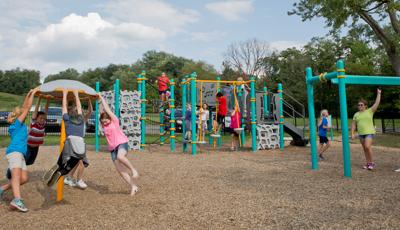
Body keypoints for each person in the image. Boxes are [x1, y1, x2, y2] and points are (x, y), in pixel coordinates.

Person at [0, 87, 39, 212]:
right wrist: (33, 93)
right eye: (21, 113)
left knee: (24, 178)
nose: (24, 113)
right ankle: (17, 200)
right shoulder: (16, 124)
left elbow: (25, 106)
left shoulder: (19, 124)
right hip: (15, 152)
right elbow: (27, 108)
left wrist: (28, 93)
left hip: (20, 154)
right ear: (18, 116)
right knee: (16, 177)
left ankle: (2, 189)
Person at [43, 89, 89, 187]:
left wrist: (64, 94)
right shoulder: (81, 119)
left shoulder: (67, 119)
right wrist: (76, 95)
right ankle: (62, 172)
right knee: (71, 164)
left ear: (69, 114)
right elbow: (80, 107)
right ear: (78, 115)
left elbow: (64, 107)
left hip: (70, 142)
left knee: (62, 161)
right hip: (80, 144)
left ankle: (57, 166)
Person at [98, 94, 139, 196]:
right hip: (112, 148)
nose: (104, 120)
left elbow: (106, 109)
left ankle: (134, 171)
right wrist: (98, 101)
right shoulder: (104, 125)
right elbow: (101, 111)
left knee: (120, 157)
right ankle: (133, 186)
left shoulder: (114, 121)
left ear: (110, 118)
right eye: (103, 119)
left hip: (121, 143)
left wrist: (102, 98)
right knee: (120, 170)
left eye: (106, 119)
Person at [6, 96, 50, 180]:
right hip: (28, 147)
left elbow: (46, 111)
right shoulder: (34, 122)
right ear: (36, 118)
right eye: (40, 118)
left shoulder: (43, 124)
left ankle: (18, 169)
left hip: (36, 147)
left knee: (30, 162)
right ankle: (11, 170)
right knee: (23, 161)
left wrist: (48, 100)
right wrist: (39, 99)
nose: (42, 120)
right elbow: (36, 111)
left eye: (43, 118)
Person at [64, 98, 93, 189]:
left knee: (76, 162)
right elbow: (70, 110)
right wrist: (74, 101)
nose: (79, 111)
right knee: (82, 163)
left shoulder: (82, 119)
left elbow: (90, 111)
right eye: (76, 110)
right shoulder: (71, 120)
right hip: (75, 142)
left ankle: (68, 178)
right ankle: (79, 180)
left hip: (79, 142)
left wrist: (89, 101)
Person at [351, 89, 381, 170]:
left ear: (365, 106)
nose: (360, 106)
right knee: (365, 149)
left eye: (361, 105)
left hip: (369, 132)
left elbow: (376, 103)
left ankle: (372, 163)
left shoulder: (369, 111)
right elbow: (353, 125)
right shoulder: (356, 114)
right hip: (361, 134)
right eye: (359, 105)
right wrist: (352, 133)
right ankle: (368, 163)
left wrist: (378, 93)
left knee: (367, 147)